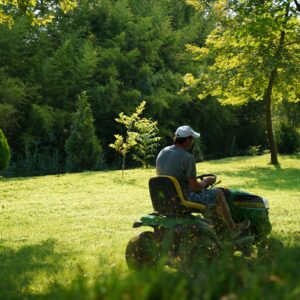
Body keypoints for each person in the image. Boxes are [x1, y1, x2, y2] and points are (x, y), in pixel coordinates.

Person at [156, 125, 250, 239]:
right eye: (192, 139)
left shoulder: (162, 152)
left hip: (167, 198)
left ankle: (215, 227)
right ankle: (232, 228)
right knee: (219, 193)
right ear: (187, 140)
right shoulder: (187, 157)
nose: (192, 142)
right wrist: (206, 181)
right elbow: (195, 187)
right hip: (185, 198)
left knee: (208, 196)